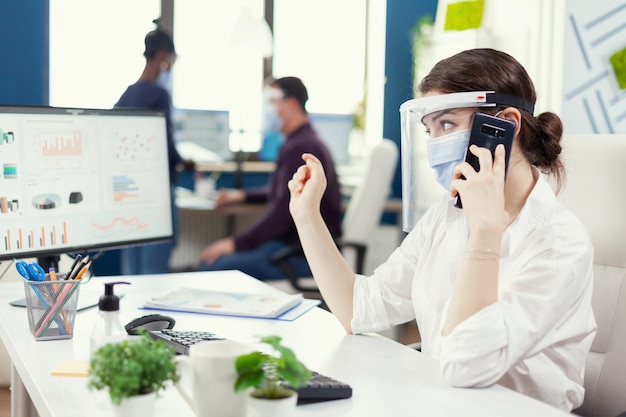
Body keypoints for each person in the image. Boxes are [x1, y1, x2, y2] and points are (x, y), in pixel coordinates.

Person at [287, 48, 596, 412]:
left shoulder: (560, 243)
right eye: (429, 130)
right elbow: (357, 308)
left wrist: (484, 233)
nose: (435, 144)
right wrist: (307, 215)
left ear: (506, 126)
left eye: (447, 124)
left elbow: (466, 364)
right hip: (444, 403)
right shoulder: (445, 217)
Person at [197, 76, 342, 281]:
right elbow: (284, 193)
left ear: (290, 104)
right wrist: (241, 196)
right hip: (295, 249)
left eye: (272, 103)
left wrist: (234, 244)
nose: (268, 110)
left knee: (212, 266)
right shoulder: (301, 141)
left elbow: (284, 214)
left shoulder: (302, 148)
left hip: (298, 255)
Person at [114, 24, 193, 274]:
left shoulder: (127, 94)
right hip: (155, 192)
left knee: (133, 270)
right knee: (154, 272)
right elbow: (164, 146)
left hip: (128, 192)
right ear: (163, 57)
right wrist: (184, 161)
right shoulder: (158, 94)